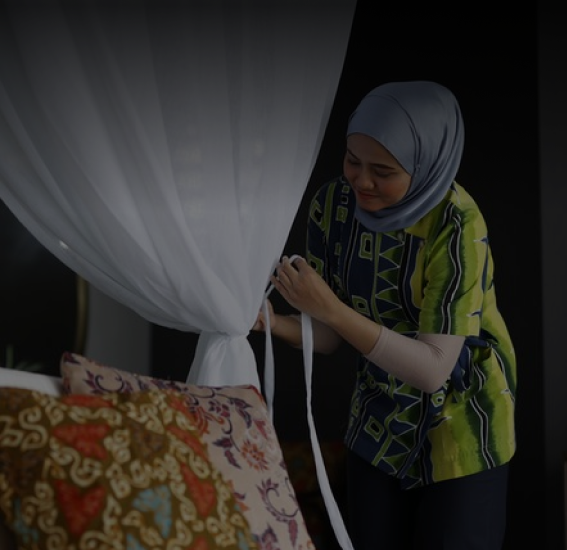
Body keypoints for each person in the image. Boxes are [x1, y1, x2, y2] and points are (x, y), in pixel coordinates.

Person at [252, 81, 516, 550]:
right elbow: (329, 336)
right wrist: (271, 322)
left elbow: (433, 369)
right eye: (352, 160)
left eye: (383, 171)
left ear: (427, 166)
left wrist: (330, 308)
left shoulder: (457, 223)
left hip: (462, 426)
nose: (361, 181)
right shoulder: (332, 207)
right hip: (377, 423)